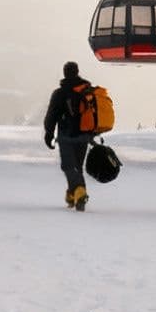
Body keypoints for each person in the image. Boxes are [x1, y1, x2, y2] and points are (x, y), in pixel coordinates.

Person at [41, 62, 98, 211]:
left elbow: (52, 114)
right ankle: (73, 194)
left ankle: (79, 191)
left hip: (66, 135)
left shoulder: (60, 93)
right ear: (77, 72)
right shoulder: (87, 90)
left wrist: (48, 133)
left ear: (65, 73)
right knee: (77, 167)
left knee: (68, 165)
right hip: (84, 135)